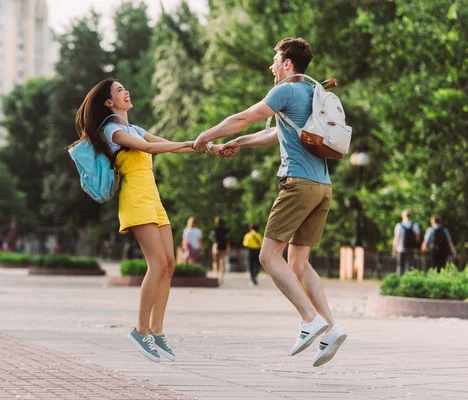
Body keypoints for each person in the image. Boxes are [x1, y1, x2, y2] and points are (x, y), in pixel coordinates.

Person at [193, 37, 346, 367]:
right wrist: (238, 143)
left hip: (298, 184)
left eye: (275, 61)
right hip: (322, 187)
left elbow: (245, 116)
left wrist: (209, 134)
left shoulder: (285, 90)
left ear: (287, 64)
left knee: (268, 255)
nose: (271, 67)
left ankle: (310, 319)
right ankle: (331, 329)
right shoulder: (310, 92)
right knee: (299, 263)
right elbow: (274, 133)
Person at [72, 77, 203, 362]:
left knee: (169, 265)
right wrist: (192, 143)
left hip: (153, 200)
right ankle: (139, 330)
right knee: (156, 265)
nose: (126, 92)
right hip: (135, 200)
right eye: (119, 90)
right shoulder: (112, 130)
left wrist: (206, 145)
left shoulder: (136, 128)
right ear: (109, 102)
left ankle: (157, 331)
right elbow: (151, 148)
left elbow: (171, 145)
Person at [392, 209, 420, 275]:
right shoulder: (415, 225)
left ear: (402, 216)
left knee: (400, 267)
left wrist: (394, 249)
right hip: (411, 249)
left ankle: (400, 281)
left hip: (401, 249)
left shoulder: (399, 226)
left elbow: (397, 238)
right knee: (410, 267)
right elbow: (417, 239)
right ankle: (408, 281)